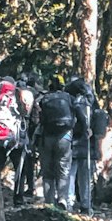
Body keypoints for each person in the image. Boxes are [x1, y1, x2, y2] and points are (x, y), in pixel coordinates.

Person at [37, 74, 77, 207]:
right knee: (63, 169)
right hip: (64, 137)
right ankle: (62, 200)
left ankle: (48, 201)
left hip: (47, 136)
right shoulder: (69, 98)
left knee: (47, 171)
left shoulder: (44, 99)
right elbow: (79, 117)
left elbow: (39, 119)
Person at [65, 76, 95, 212]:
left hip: (71, 141)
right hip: (86, 142)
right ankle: (85, 203)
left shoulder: (68, 100)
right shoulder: (89, 102)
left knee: (70, 173)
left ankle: (69, 202)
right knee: (85, 175)